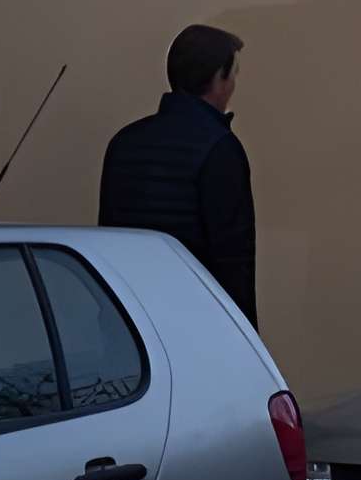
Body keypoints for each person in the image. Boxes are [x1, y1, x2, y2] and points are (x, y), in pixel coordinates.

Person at [98, 23, 259, 323]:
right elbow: (234, 260)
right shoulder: (219, 148)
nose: (234, 85)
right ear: (218, 78)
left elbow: (108, 238)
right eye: (233, 74)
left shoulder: (124, 143)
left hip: (130, 316)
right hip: (195, 318)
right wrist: (246, 336)